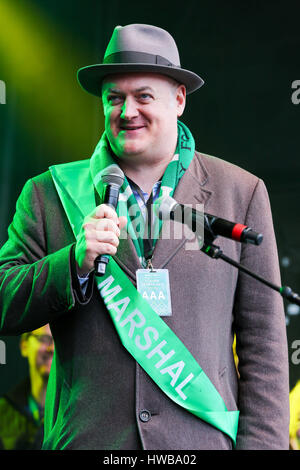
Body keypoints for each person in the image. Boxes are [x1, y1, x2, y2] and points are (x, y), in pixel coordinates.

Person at [0, 23, 289, 450]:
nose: (127, 111)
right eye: (114, 98)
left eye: (143, 97)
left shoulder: (240, 193)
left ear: (179, 99)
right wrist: (72, 263)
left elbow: (264, 349)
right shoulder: (48, 193)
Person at [0, 324, 53, 449]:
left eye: (57, 339)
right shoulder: (3, 414)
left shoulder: (79, 411)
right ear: (24, 345)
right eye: (44, 339)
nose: (52, 348)